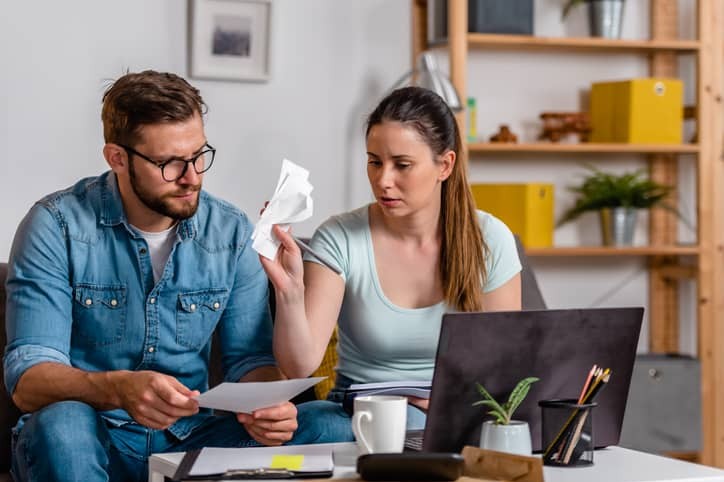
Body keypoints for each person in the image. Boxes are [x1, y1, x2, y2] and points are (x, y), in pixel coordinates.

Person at [3, 70, 344, 482]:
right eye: (169, 163)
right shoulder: (55, 226)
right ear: (117, 158)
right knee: (62, 425)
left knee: (329, 422)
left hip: (192, 438)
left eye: (200, 155)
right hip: (94, 437)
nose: (192, 177)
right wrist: (117, 389)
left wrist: (268, 408)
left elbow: (251, 362)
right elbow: (29, 378)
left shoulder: (231, 232)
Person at [262, 86, 522, 437]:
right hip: (359, 415)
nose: (383, 181)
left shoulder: (491, 240)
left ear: (444, 165)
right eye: (375, 162)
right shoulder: (340, 237)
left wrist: (452, 403)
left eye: (402, 165)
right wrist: (290, 290)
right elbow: (298, 366)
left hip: (458, 414)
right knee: (316, 424)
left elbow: (504, 366)